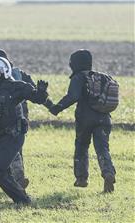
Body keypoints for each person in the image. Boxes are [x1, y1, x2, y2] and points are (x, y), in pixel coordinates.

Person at [0, 56, 49, 207]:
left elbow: (37, 98)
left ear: (4, 72)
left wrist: (41, 93)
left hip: (13, 136)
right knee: (2, 174)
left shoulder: (15, 87)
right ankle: (22, 200)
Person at [48, 49, 116, 193]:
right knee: (102, 148)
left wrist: (57, 108)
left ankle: (81, 178)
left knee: (81, 146)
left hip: (85, 119)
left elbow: (73, 96)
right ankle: (108, 173)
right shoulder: (104, 77)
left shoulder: (78, 77)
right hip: (104, 118)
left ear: (76, 63)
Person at [0, 49, 54, 189]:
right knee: (17, 145)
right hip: (21, 114)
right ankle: (17, 177)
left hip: (2, 117)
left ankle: (15, 178)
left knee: (4, 145)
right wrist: (51, 107)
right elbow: (36, 94)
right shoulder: (20, 74)